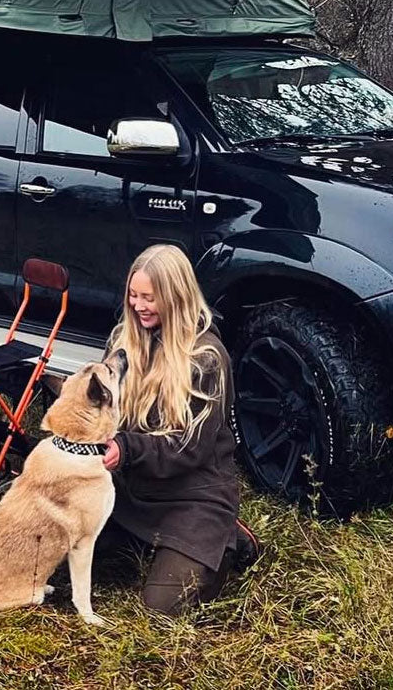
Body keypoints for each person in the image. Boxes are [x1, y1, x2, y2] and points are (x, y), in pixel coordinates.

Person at [97, 243, 255, 616]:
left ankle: (227, 539)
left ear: (175, 295)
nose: (138, 305)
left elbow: (189, 449)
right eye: (133, 295)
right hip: (131, 491)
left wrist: (128, 448)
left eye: (149, 298)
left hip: (191, 496)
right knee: (59, 553)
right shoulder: (123, 340)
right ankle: (143, 542)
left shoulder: (206, 358)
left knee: (162, 608)